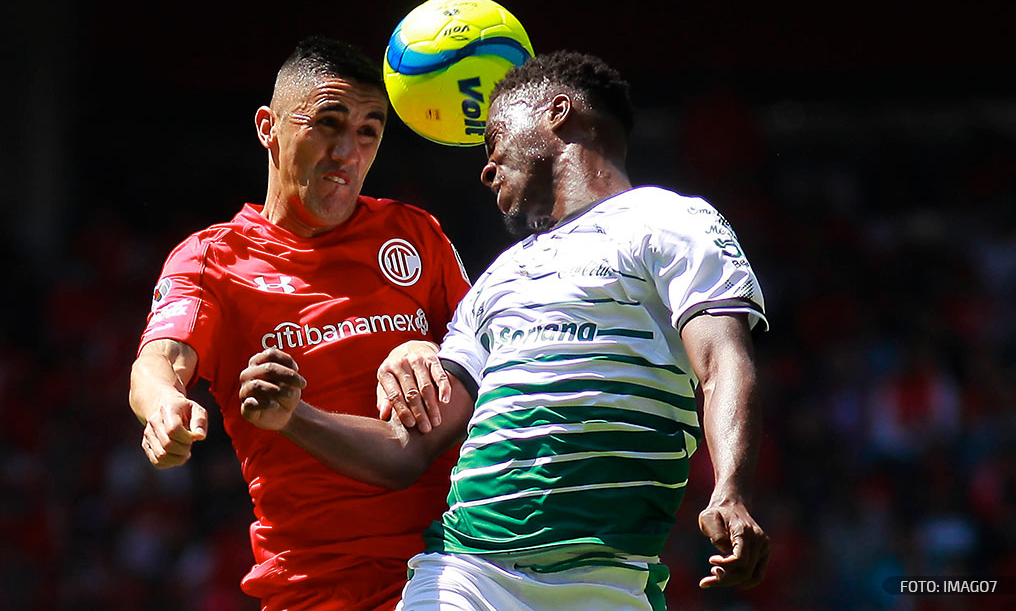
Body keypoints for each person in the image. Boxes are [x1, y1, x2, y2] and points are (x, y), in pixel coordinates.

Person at [240, 50, 770, 611]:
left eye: (494, 138)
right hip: (466, 576)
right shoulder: (497, 279)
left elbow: (722, 363)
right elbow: (406, 448)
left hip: (609, 580)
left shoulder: (669, 220)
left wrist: (730, 488)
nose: (486, 167)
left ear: (558, 113)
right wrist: (296, 417)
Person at [128, 36, 471, 611]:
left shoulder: (414, 234)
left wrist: (433, 351)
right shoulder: (214, 259)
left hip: (453, 570)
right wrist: (165, 405)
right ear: (269, 127)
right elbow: (160, 359)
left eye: (368, 132)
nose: (347, 152)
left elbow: (491, 358)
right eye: (328, 124)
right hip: (315, 586)